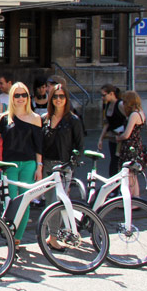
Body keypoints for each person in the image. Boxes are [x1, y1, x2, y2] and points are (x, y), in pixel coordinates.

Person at [0, 82, 42, 252]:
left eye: (24, 95)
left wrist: (39, 167)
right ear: (12, 97)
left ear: (28, 97)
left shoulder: (35, 118)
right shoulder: (4, 118)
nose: (20, 99)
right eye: (17, 95)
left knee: (24, 202)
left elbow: (38, 146)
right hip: (10, 165)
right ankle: (10, 235)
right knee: (11, 201)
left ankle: (18, 239)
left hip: (29, 163)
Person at [40, 84, 84, 250]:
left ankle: (53, 237)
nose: (58, 99)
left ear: (66, 99)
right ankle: (49, 234)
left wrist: (71, 165)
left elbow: (80, 146)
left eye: (62, 96)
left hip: (63, 165)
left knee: (57, 202)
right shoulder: (45, 118)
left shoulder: (73, 120)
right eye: (55, 96)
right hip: (47, 165)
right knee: (48, 201)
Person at [117, 90, 146, 198]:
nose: (123, 104)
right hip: (136, 144)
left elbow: (126, 134)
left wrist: (118, 137)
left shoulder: (133, 115)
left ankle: (132, 199)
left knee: (129, 174)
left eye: (125, 101)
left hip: (130, 146)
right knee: (132, 174)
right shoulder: (140, 112)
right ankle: (135, 198)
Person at [97, 84, 125, 177]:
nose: (102, 98)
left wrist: (123, 133)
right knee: (113, 160)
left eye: (104, 95)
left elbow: (129, 119)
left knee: (117, 161)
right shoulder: (108, 104)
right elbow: (107, 123)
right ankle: (113, 186)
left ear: (112, 94)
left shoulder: (120, 104)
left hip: (121, 138)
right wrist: (101, 139)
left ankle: (118, 186)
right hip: (113, 137)